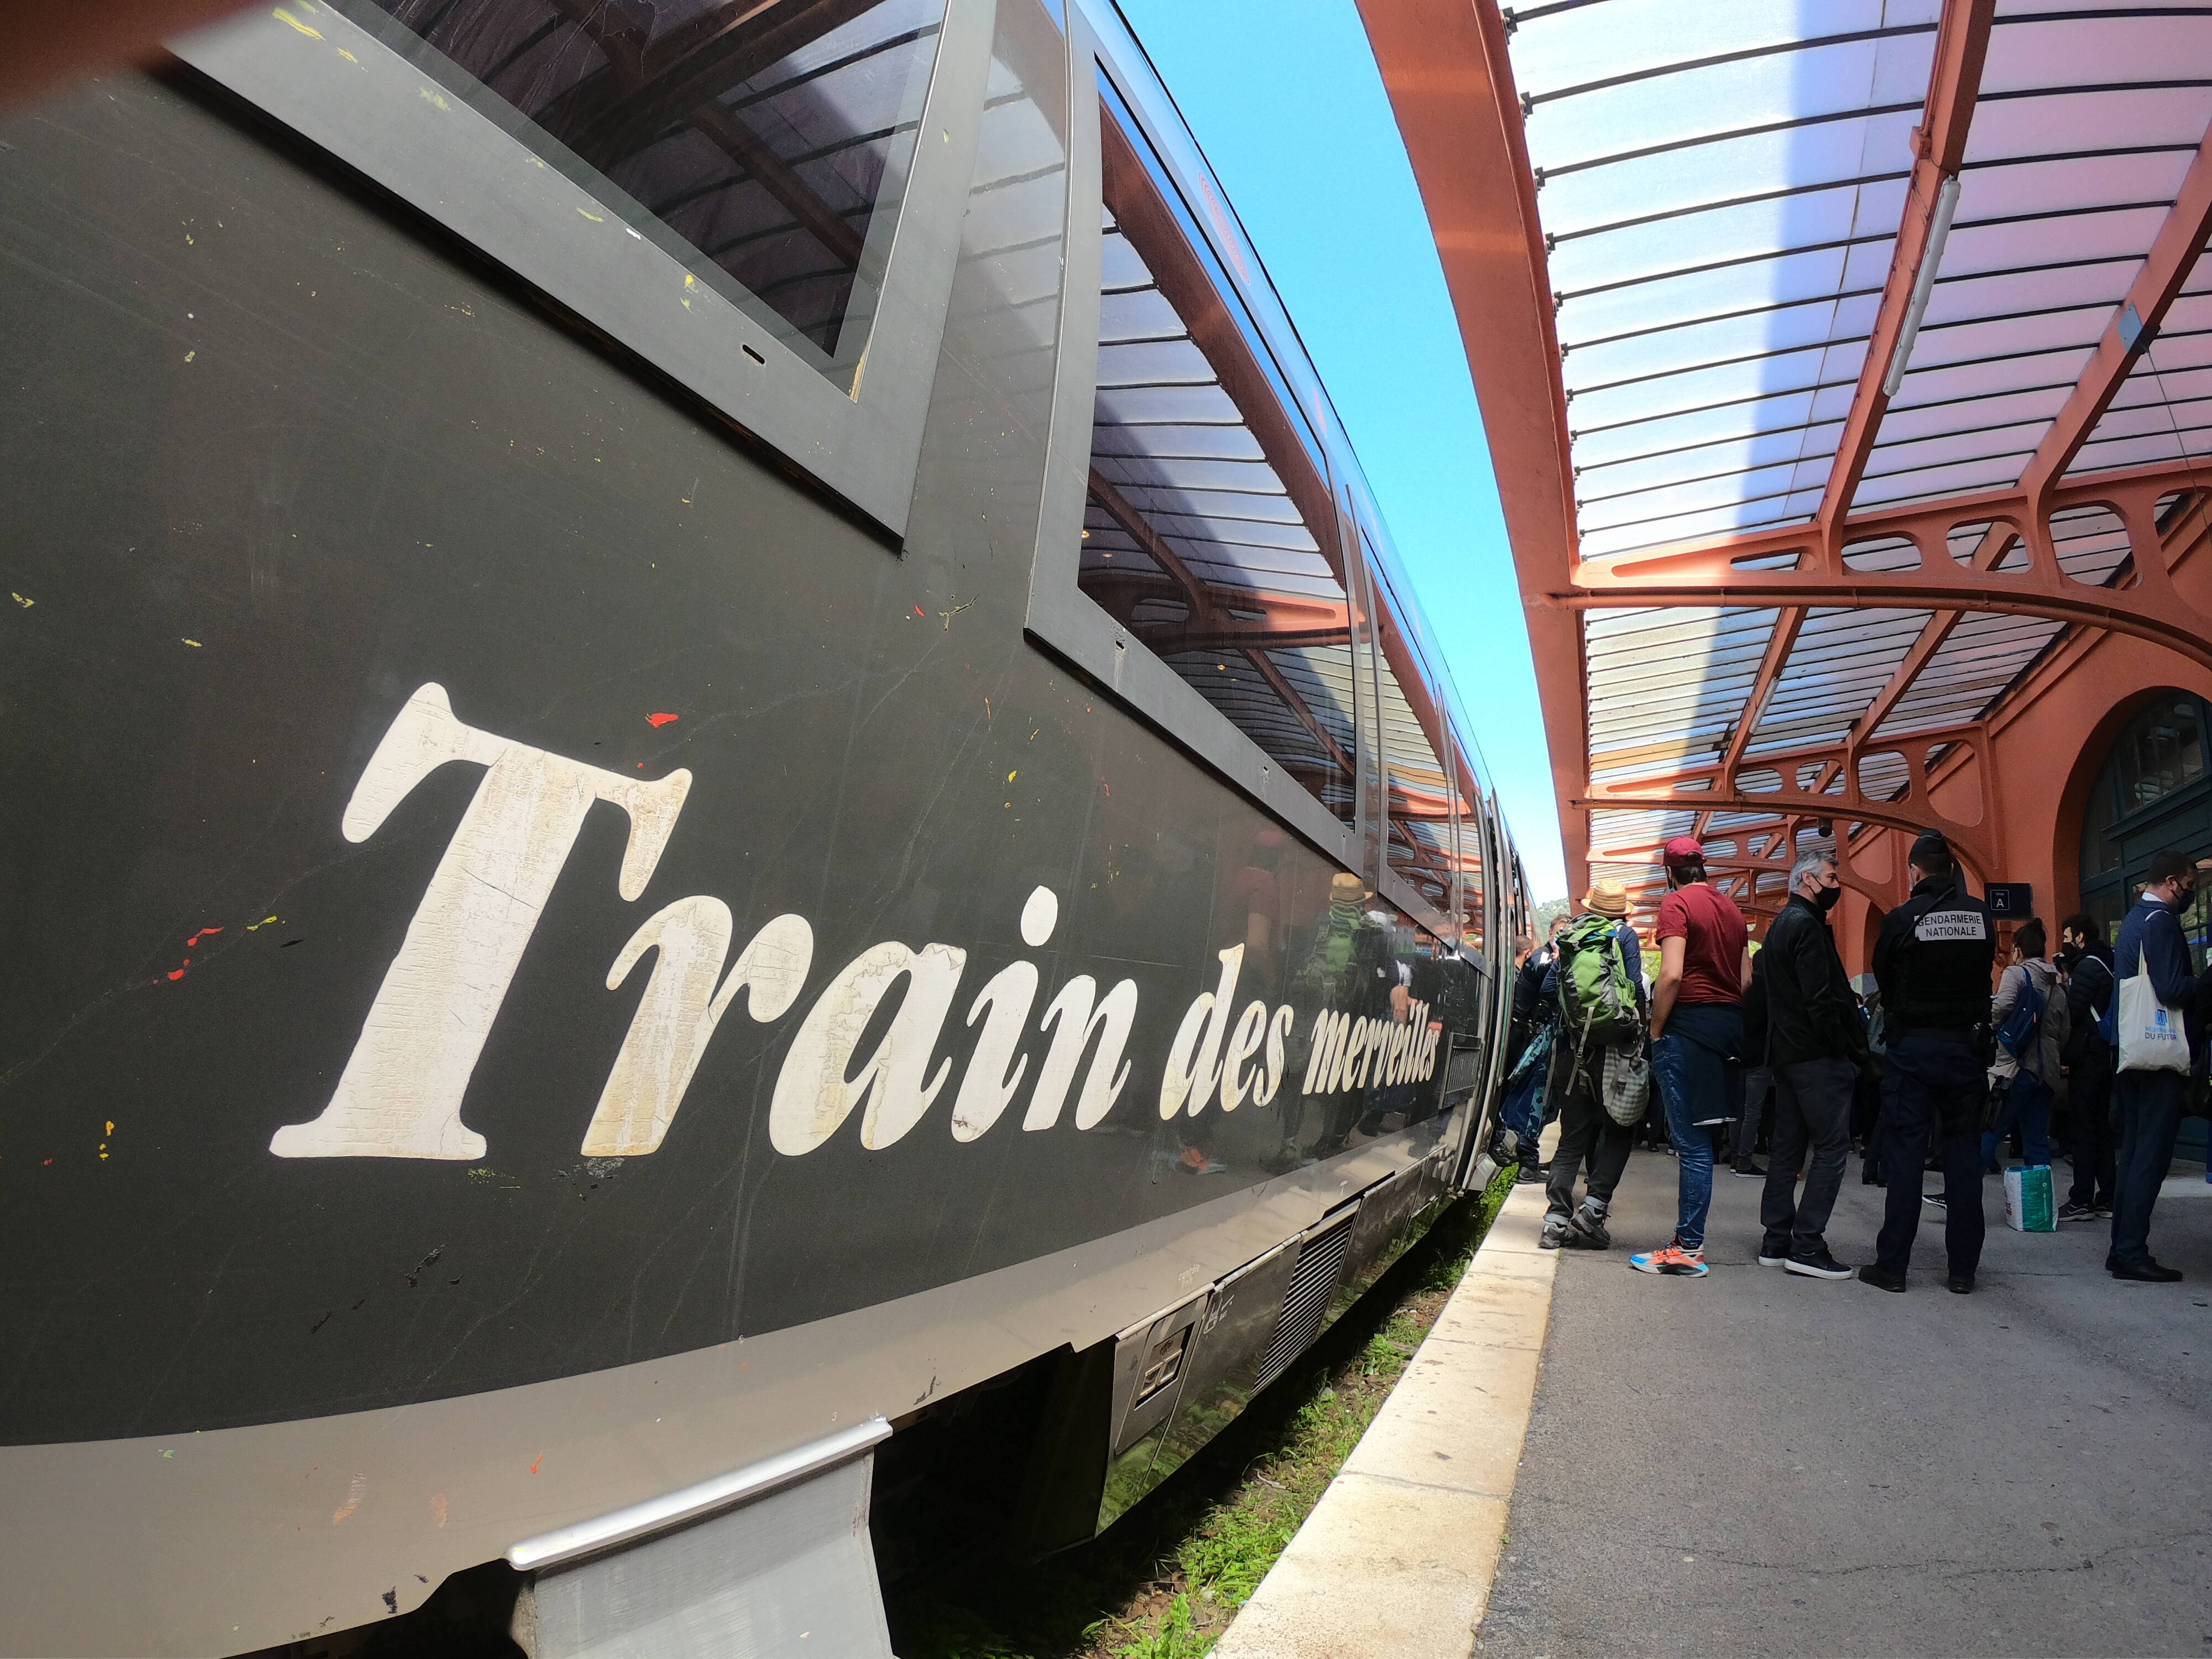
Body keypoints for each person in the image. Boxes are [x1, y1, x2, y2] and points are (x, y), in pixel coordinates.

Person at [1863, 831, 1995, 1295]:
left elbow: (1882, 974)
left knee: (1905, 1158)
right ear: (1953, 871)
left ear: (1916, 872)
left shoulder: (1902, 919)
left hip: (1913, 1051)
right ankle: (1963, 1271)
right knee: (1963, 1160)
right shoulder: (1982, 916)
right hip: (1965, 1053)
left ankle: (1893, 1267)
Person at [1631, 836, 1751, 1277]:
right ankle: (1689, 1243)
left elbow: (1672, 973)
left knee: (1692, 1146)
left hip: (1687, 1030)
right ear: (1703, 866)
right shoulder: (1733, 910)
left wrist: (1656, 1029)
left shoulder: (1676, 904)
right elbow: (1746, 979)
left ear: (1669, 871)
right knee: (1706, 1139)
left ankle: (1688, 1248)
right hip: (1727, 1031)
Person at [1755, 852, 1863, 1279]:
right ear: (1807, 879)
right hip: (1817, 1057)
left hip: (1787, 1055)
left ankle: (1776, 1240)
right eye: (1831, 877)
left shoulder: (1780, 927)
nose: (1836, 885)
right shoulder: (1808, 927)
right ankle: (1807, 1245)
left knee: (1788, 1148)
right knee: (1833, 1148)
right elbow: (1820, 999)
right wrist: (1846, 1050)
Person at [2101, 848, 2198, 1282]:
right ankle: (2131, 1251)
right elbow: (2172, 988)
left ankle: (2121, 1249)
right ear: (2173, 882)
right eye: (2191, 886)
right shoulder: (2161, 923)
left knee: (2135, 1152)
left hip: (2132, 1049)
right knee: (2150, 1157)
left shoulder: (2135, 921)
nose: (2191, 895)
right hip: (2157, 1056)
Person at [1538, 879, 1645, 1251]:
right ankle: (1594, 1212)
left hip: (1573, 1049)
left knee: (1572, 1135)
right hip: (1614, 1050)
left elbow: (1549, 990)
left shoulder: (1572, 936)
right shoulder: (1624, 936)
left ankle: (1555, 1223)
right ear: (1621, 910)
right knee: (1620, 1129)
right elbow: (1636, 988)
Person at [1983, 918, 2067, 1173]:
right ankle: (2038, 1209)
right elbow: (2064, 1031)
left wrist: (1988, 1022)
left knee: (1991, 1128)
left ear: (2018, 949)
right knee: (2037, 1140)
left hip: (2015, 1067)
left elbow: (2002, 1006)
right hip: (2047, 1072)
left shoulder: (2016, 973)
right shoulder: (2058, 984)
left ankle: (1960, 1197)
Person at [2056, 912, 2116, 1220]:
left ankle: (2081, 1198)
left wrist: (2064, 984)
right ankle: (2108, 1196)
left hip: (2088, 1056)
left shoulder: (2088, 966)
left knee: (2083, 1128)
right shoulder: (2110, 960)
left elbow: (2074, 1011)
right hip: (2106, 1054)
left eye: (2067, 938)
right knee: (2101, 1127)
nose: (2065, 945)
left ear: (2080, 937)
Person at [1734, 947, 1771, 1177]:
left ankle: (1735, 1155)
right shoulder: (1771, 991)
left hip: (1739, 1056)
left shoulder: (1743, 989)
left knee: (1738, 1110)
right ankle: (1744, 1162)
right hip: (1760, 1058)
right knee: (1753, 1112)